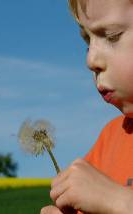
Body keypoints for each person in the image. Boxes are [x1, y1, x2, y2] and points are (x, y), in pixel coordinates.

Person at [41, 0, 133, 213]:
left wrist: (119, 201)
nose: (90, 60)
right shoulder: (110, 139)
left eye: (111, 36)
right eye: (87, 41)